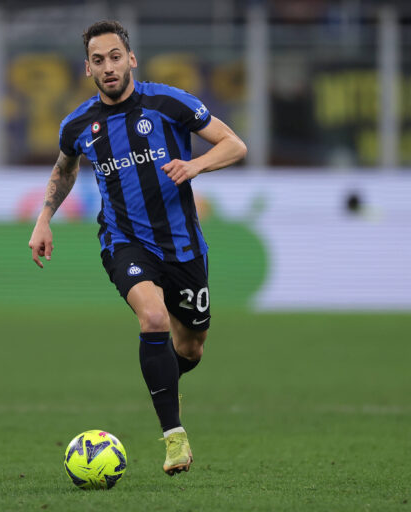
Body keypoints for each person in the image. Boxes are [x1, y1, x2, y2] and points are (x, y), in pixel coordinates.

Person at [28, 20, 247, 476]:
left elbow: (234, 145)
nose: (107, 67)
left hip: (183, 247)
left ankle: (163, 380)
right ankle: (175, 439)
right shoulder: (79, 124)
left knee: (191, 348)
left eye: (114, 57)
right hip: (124, 242)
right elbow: (65, 169)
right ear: (87, 68)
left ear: (130, 59)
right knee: (153, 318)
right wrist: (43, 219)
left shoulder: (169, 103)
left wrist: (196, 165)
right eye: (97, 60)